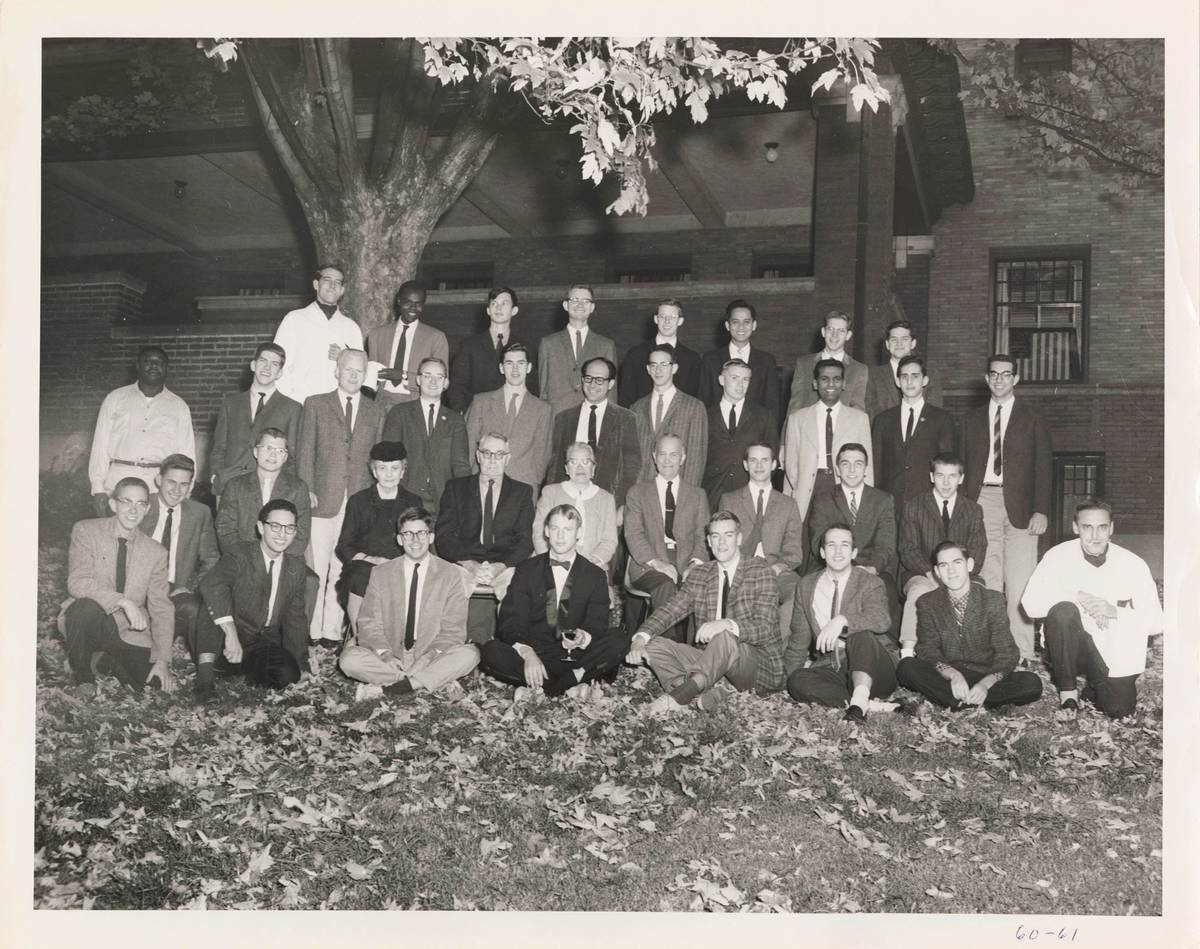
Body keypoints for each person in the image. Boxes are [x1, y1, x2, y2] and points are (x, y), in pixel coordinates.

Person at [627, 511, 785, 714]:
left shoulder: (760, 571)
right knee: (654, 644)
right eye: (715, 536)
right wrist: (640, 638)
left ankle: (680, 696)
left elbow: (765, 628)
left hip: (753, 665)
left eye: (728, 535)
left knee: (725, 636)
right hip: (709, 660)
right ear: (709, 541)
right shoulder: (700, 574)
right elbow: (671, 610)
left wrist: (727, 624)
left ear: (739, 538)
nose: (721, 542)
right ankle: (702, 690)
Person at [1021, 500, 1162, 718]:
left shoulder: (1133, 563)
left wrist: (1113, 611)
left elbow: (1156, 622)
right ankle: (1068, 695)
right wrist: (1077, 598)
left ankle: (1095, 687)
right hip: (1070, 646)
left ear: (1111, 528)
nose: (1095, 535)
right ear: (1076, 528)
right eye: (1087, 527)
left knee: (1119, 710)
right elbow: (1029, 605)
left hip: (1112, 649)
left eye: (1102, 527)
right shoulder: (1056, 557)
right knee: (1064, 611)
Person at [480, 505, 629, 702]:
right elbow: (511, 619)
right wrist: (528, 654)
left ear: (579, 533)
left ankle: (545, 688)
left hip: (576, 655)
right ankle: (573, 682)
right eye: (555, 528)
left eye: (567, 530)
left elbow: (598, 622)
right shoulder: (526, 569)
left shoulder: (594, 574)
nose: (560, 536)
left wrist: (582, 637)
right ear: (546, 531)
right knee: (490, 651)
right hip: (536, 653)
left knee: (619, 639)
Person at [962, 353, 1053, 665]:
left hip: (1022, 507)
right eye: (994, 374)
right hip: (981, 502)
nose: (1000, 379)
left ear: (1016, 379)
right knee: (988, 579)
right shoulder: (972, 418)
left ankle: (1023, 652)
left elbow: (1044, 466)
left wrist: (1041, 509)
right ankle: (993, 650)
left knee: (1020, 580)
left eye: (1006, 374)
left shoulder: (1032, 417)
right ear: (987, 379)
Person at [339, 507, 480, 703]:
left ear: (431, 537)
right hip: (392, 656)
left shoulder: (451, 574)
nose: (415, 540)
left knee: (470, 654)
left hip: (431, 654)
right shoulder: (381, 573)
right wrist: (386, 655)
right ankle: (428, 682)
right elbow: (369, 623)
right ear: (399, 539)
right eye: (408, 534)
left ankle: (395, 688)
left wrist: (427, 658)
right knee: (349, 660)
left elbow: (453, 630)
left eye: (421, 533)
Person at [295, 348, 387, 646]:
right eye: (348, 369)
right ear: (337, 370)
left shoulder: (376, 410)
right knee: (317, 565)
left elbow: (376, 460)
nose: (353, 375)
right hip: (322, 498)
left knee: (343, 567)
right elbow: (305, 451)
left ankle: (331, 632)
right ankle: (311, 629)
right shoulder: (316, 404)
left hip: (357, 501)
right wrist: (307, 487)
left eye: (359, 371)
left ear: (365, 374)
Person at [59, 477, 177, 695]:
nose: (133, 510)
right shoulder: (86, 530)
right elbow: (78, 581)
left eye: (140, 503)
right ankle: (84, 678)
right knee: (83, 607)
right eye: (126, 502)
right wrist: (124, 602)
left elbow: (161, 608)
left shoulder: (156, 552)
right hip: (89, 620)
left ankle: (105, 661)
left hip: (128, 629)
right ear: (113, 504)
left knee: (152, 687)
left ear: (147, 508)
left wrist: (162, 660)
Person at [896, 541, 1042, 710]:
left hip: (985, 674)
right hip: (947, 675)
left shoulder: (993, 600)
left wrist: (985, 684)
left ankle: (958, 700)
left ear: (969, 565)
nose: (951, 571)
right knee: (906, 667)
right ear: (937, 572)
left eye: (957, 563)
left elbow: (1007, 653)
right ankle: (970, 702)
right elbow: (927, 650)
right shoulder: (927, 603)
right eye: (944, 565)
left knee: (1032, 683)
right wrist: (952, 674)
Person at [195, 500, 312, 698]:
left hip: (261, 642)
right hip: (226, 638)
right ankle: (205, 680)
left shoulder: (296, 569)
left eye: (289, 528)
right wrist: (231, 634)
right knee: (212, 602)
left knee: (287, 675)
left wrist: (302, 664)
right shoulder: (239, 554)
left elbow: (296, 619)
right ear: (260, 527)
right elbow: (211, 585)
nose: (282, 534)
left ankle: (239, 672)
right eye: (275, 526)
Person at [783, 524, 898, 720]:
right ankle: (865, 703)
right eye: (831, 545)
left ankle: (861, 698)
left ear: (853, 552)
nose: (837, 551)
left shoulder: (869, 582)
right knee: (797, 680)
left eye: (844, 545)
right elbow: (799, 639)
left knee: (859, 635)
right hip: (834, 668)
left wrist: (843, 620)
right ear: (822, 552)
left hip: (874, 666)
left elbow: (882, 619)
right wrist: (787, 680)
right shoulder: (806, 586)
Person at [88, 346, 196, 515]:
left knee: (150, 539)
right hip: (117, 481)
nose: (154, 366)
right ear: (137, 366)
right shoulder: (115, 399)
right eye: (148, 361)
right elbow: (100, 446)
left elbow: (187, 455)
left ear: (166, 368)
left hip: (157, 486)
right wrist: (98, 488)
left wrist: (186, 493)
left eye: (159, 362)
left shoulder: (179, 406)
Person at [897, 453, 987, 653]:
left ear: (961, 478)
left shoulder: (973, 510)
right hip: (922, 572)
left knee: (976, 595)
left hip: (963, 575)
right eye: (940, 476)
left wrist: (957, 576)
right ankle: (908, 652)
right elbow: (907, 549)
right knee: (919, 592)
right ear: (931, 476)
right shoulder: (913, 506)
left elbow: (978, 552)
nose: (946, 482)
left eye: (952, 476)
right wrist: (932, 573)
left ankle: (971, 653)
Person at [807, 443, 899, 635]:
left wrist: (871, 568)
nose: (851, 469)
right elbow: (818, 541)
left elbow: (886, 544)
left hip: (871, 567)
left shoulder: (883, 500)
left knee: (887, 588)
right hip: (834, 566)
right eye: (845, 464)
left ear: (866, 468)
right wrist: (842, 568)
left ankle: (882, 648)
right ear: (838, 469)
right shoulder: (823, 498)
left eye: (858, 464)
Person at [623, 434, 710, 637]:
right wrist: (658, 563)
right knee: (666, 585)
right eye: (662, 454)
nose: (667, 460)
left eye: (674, 455)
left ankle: (694, 653)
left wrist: (694, 564)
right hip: (648, 565)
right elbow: (633, 534)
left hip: (686, 561)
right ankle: (670, 656)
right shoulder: (637, 492)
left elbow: (703, 537)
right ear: (654, 456)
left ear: (683, 457)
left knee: (702, 586)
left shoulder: (698, 495)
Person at [435, 433, 535, 602]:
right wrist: (470, 564)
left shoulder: (522, 492)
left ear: (507, 458)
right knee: (450, 594)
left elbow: (525, 541)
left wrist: (499, 567)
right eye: (487, 453)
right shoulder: (456, 488)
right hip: (464, 563)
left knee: (517, 594)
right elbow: (444, 537)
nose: (492, 460)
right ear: (478, 456)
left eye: (499, 455)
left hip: (504, 566)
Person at [138, 454, 220, 659]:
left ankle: (207, 670)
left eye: (184, 484)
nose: (177, 490)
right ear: (159, 480)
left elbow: (211, 558)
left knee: (195, 607)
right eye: (171, 482)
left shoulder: (200, 512)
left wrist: (190, 587)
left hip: (174, 590)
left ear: (191, 485)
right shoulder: (140, 504)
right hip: (139, 588)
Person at [335, 441, 423, 630]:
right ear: (374, 471)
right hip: (365, 566)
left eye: (395, 468)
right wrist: (371, 559)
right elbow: (344, 546)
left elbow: (420, 542)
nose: (389, 474)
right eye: (382, 468)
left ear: (403, 471)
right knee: (361, 576)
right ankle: (361, 636)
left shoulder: (413, 501)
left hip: (401, 566)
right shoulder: (359, 501)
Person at [719, 442, 804, 634]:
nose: (759, 466)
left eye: (764, 460)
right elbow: (722, 546)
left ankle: (777, 652)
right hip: (739, 571)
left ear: (774, 464)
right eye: (753, 460)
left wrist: (779, 567)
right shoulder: (729, 500)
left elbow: (794, 552)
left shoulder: (788, 504)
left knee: (800, 592)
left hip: (776, 571)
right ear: (745, 465)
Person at [781, 359, 873, 521]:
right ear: (815, 384)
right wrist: (796, 490)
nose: (831, 384)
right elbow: (791, 463)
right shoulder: (797, 418)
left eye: (836, 379)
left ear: (844, 384)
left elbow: (867, 464)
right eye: (824, 379)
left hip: (844, 485)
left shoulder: (859, 419)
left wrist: (866, 499)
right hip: (810, 487)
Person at [871, 354, 956, 525]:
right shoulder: (882, 420)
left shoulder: (941, 419)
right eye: (904, 376)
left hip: (929, 504)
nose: (909, 382)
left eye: (915, 376)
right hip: (891, 505)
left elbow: (948, 465)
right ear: (897, 381)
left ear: (925, 380)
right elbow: (876, 466)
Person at [381, 356, 471, 516]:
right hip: (405, 499)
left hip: (444, 502)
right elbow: (388, 460)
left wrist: (464, 502)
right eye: (427, 375)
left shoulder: (455, 420)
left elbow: (461, 466)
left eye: (439, 377)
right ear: (418, 379)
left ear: (446, 383)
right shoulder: (399, 413)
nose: (433, 381)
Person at [209, 342, 301, 497]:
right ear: (253, 365)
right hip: (228, 486)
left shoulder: (292, 408)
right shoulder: (230, 403)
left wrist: (285, 491)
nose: (267, 368)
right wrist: (216, 476)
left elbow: (291, 456)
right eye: (263, 361)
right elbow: (219, 447)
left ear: (279, 373)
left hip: (269, 488)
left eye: (274, 364)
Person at [551, 356, 641, 513]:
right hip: (567, 503)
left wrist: (622, 506)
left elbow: (632, 468)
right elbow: (555, 467)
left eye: (599, 380)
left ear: (611, 384)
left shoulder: (626, 418)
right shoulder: (563, 419)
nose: (593, 384)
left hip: (609, 505)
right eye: (588, 378)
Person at [465, 342, 553, 491]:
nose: (515, 369)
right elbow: (468, 444)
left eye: (520, 363)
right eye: (509, 363)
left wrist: (533, 480)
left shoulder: (543, 409)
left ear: (529, 367)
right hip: (484, 482)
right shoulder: (481, 402)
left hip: (523, 484)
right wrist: (472, 478)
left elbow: (543, 453)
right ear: (501, 368)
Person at [273, 264, 364, 404]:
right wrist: (289, 398)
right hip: (299, 401)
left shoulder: (351, 328)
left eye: (337, 282)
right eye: (327, 280)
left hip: (336, 406)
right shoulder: (295, 319)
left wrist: (343, 356)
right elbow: (277, 362)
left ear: (342, 290)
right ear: (316, 284)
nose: (332, 285)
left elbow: (359, 371)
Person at [216, 428, 311, 557]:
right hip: (243, 561)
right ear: (255, 452)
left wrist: (278, 562)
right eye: (268, 448)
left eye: (279, 451)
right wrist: (248, 561)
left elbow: (301, 535)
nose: (273, 455)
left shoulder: (298, 488)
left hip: (283, 562)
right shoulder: (235, 486)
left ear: (285, 457)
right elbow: (225, 530)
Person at [701, 358, 779, 510]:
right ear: (722, 380)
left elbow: (772, 459)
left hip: (749, 497)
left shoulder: (763, 416)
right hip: (712, 495)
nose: (740, 384)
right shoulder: (704, 415)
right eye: (734, 378)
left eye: (745, 379)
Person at [446, 286, 539, 413]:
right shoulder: (468, 346)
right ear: (488, 310)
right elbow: (457, 386)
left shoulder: (527, 347)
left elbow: (533, 387)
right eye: (494, 303)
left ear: (514, 310)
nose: (498, 307)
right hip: (478, 416)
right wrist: (464, 412)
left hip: (515, 415)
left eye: (504, 303)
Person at [630, 344, 708, 486]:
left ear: (674, 368)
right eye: (653, 365)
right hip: (642, 491)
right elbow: (631, 458)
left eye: (664, 364)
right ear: (648, 369)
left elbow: (696, 459)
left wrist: (687, 496)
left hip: (677, 489)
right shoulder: (636, 408)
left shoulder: (694, 407)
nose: (658, 370)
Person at [533, 443, 618, 572]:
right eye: (573, 462)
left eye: (585, 462)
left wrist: (591, 562)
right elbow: (539, 532)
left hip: (591, 565)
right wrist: (551, 560)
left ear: (593, 468)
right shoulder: (550, 492)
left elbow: (609, 541)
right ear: (566, 469)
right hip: (551, 562)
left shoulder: (606, 499)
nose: (579, 467)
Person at [365, 281, 450, 408]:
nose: (413, 308)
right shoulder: (376, 335)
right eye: (408, 302)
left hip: (417, 402)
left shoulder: (436, 338)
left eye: (418, 304)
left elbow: (442, 382)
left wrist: (404, 375)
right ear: (399, 301)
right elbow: (371, 379)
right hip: (381, 402)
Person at [539, 284, 618, 414]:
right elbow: (543, 391)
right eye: (575, 300)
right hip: (557, 417)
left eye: (585, 301)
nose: (580, 305)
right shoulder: (548, 343)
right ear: (565, 305)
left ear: (592, 307)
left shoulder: (606, 345)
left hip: (593, 416)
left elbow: (612, 392)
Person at [697, 300, 781, 417]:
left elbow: (772, 406)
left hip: (755, 431)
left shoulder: (767, 361)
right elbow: (703, 402)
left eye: (746, 322)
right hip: (718, 432)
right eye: (735, 322)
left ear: (754, 325)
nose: (741, 327)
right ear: (727, 325)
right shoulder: (710, 360)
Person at [618, 298, 701, 406]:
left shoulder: (692, 359)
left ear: (680, 321)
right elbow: (626, 398)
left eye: (672, 317)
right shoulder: (636, 354)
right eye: (662, 317)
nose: (667, 321)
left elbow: (695, 399)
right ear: (656, 319)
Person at [785, 310, 868, 417]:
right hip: (809, 430)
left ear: (848, 335)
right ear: (823, 332)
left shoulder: (859, 369)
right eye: (830, 329)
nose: (834, 335)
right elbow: (794, 408)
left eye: (841, 331)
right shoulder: (804, 364)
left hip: (842, 431)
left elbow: (858, 412)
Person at [865, 320, 944, 420]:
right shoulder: (872, 375)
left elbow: (935, 413)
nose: (899, 344)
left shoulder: (931, 375)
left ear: (913, 343)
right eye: (894, 339)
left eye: (904, 339)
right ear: (887, 344)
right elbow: (870, 412)